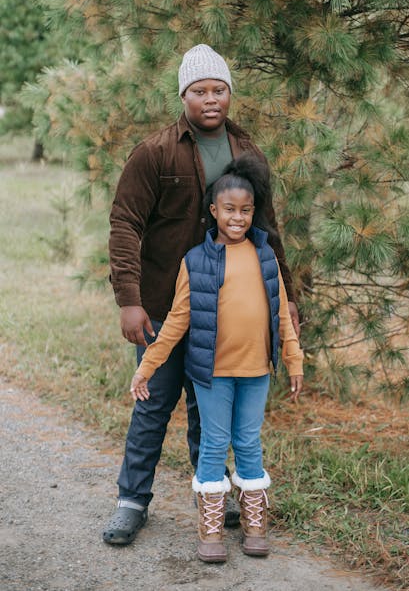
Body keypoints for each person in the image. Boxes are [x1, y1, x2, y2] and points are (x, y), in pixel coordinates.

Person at [103, 44, 300, 545]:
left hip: (225, 310)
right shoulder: (156, 152)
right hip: (164, 307)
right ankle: (131, 502)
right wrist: (129, 298)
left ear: (229, 94)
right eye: (199, 91)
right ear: (183, 95)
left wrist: (288, 297)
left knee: (204, 409)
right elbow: (125, 222)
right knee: (153, 405)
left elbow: (268, 229)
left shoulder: (247, 153)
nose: (210, 99)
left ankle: (208, 495)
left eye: (219, 90)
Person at [130, 155, 304, 563]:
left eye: (246, 210)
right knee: (213, 444)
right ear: (214, 211)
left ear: (253, 212)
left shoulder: (265, 257)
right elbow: (176, 321)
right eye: (230, 210)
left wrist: (293, 361)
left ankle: (254, 524)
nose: (238, 218)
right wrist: (147, 366)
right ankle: (210, 529)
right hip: (213, 375)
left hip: (256, 370)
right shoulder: (196, 261)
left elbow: (282, 316)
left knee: (248, 442)